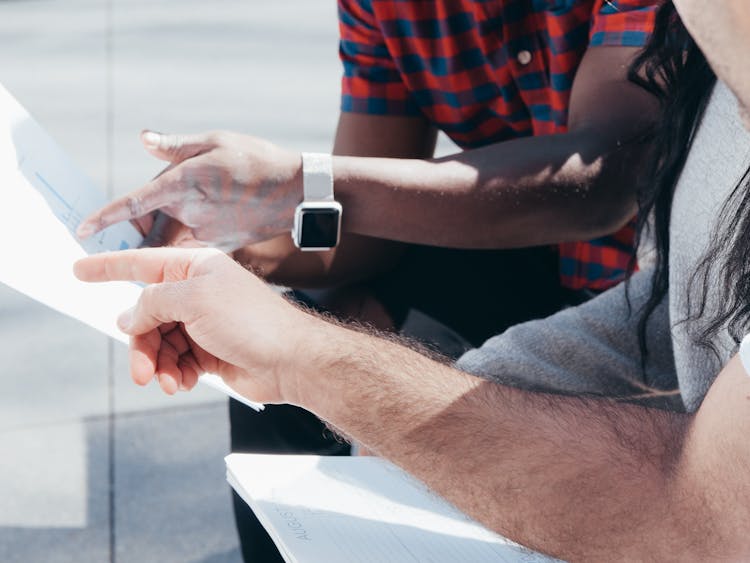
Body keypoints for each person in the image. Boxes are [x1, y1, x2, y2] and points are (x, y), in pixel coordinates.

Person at [74, 1, 750, 557]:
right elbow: (357, 219)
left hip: (641, 276)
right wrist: (226, 248)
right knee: (284, 338)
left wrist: (306, 184)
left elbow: (603, 176)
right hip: (523, 266)